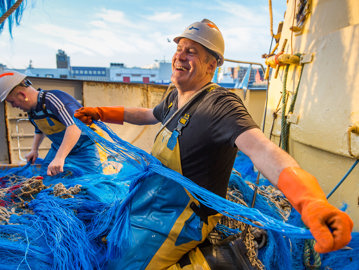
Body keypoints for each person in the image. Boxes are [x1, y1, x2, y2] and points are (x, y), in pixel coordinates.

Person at [75, 19, 353, 268]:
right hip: (154, 199)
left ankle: (219, 261)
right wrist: (102, 113)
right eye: (179, 48)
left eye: (191, 51)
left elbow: (263, 150)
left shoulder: (220, 105)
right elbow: (148, 115)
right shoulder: (175, 98)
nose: (179, 57)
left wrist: (311, 202)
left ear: (212, 65)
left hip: (183, 218)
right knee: (110, 243)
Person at [0, 70, 102, 176]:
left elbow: (74, 125)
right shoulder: (32, 111)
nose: (14, 106)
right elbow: (39, 130)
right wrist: (34, 150)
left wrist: (59, 158)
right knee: (47, 179)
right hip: (58, 148)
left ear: (22, 95)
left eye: (12, 102)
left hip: (84, 149)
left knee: (91, 181)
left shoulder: (53, 99)